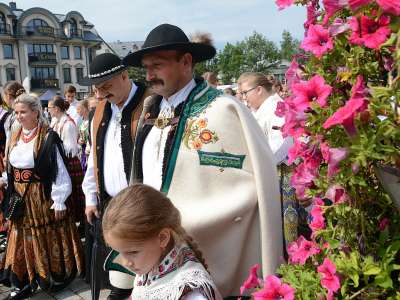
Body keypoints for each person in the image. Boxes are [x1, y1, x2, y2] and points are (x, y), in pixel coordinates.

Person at [123, 23, 282, 297]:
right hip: (158, 248)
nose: (149, 75)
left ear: (186, 62)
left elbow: (252, 183)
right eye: (146, 67)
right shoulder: (151, 109)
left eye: (157, 65)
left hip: (213, 247)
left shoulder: (224, 110)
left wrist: (194, 219)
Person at [80, 53, 152, 300]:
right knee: (116, 274)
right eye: (96, 89)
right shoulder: (99, 110)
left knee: (140, 277)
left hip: (142, 208)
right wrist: (90, 196)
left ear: (124, 76)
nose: (100, 95)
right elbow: (94, 157)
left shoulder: (151, 103)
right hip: (109, 205)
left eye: (106, 87)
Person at [0, 93, 84, 299]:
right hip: (19, 196)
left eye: (23, 112)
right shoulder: (14, 134)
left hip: (41, 196)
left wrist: (59, 200)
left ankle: (48, 275)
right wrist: (5, 180)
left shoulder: (48, 136)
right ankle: (24, 279)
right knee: (21, 237)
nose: (18, 116)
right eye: (16, 112)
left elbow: (59, 171)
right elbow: (12, 167)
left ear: (36, 112)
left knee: (44, 235)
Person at [102, 183, 222, 300]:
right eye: (120, 252)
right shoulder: (151, 264)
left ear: (162, 238)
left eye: (133, 252)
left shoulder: (189, 293)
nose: (125, 262)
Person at [237, 72, 307, 245]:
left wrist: (257, 166)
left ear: (259, 89)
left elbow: (282, 146)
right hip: (273, 172)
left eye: (245, 93)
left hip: (282, 174)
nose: (244, 98)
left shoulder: (276, 107)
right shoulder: (265, 108)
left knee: (287, 230)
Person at [48, 96, 85, 227]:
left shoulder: (68, 124)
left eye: (50, 108)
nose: (48, 110)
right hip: (60, 160)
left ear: (56, 109)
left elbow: (70, 149)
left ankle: (77, 220)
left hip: (68, 162)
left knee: (74, 191)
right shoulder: (55, 122)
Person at [76, 99, 90, 171]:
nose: (77, 111)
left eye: (78, 109)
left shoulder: (91, 121)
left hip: (89, 150)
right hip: (83, 149)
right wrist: (79, 140)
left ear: (84, 109)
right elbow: (79, 135)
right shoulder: (82, 121)